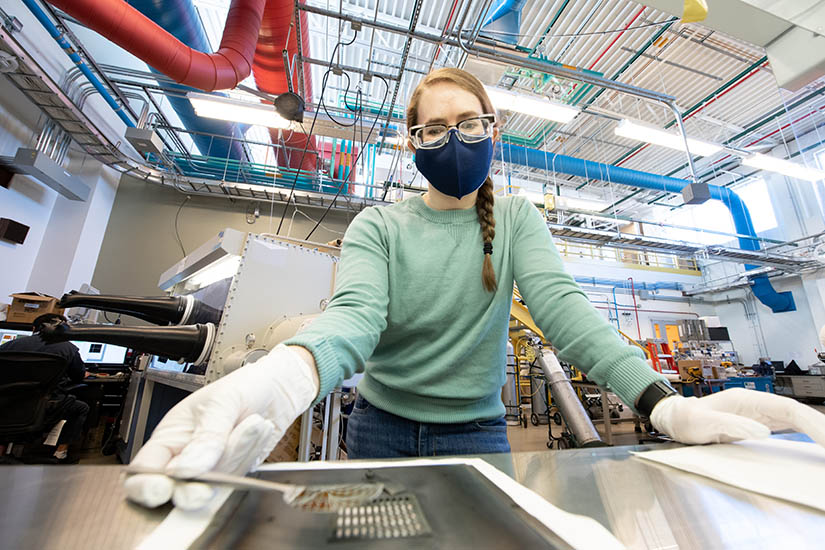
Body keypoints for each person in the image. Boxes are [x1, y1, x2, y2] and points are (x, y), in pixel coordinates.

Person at [125, 68, 825, 509]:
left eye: (468, 123)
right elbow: (355, 320)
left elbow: (567, 316)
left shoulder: (516, 219)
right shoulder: (379, 224)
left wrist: (664, 406)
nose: (453, 138)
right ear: (410, 142)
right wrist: (272, 384)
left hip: (481, 432)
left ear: (491, 130)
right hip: (380, 431)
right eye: (434, 128)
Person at [0, 313, 89, 462]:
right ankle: (60, 453)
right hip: (42, 408)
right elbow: (78, 377)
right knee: (81, 408)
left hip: (5, 405)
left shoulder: (8, 345)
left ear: (34, 328)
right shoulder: (69, 348)